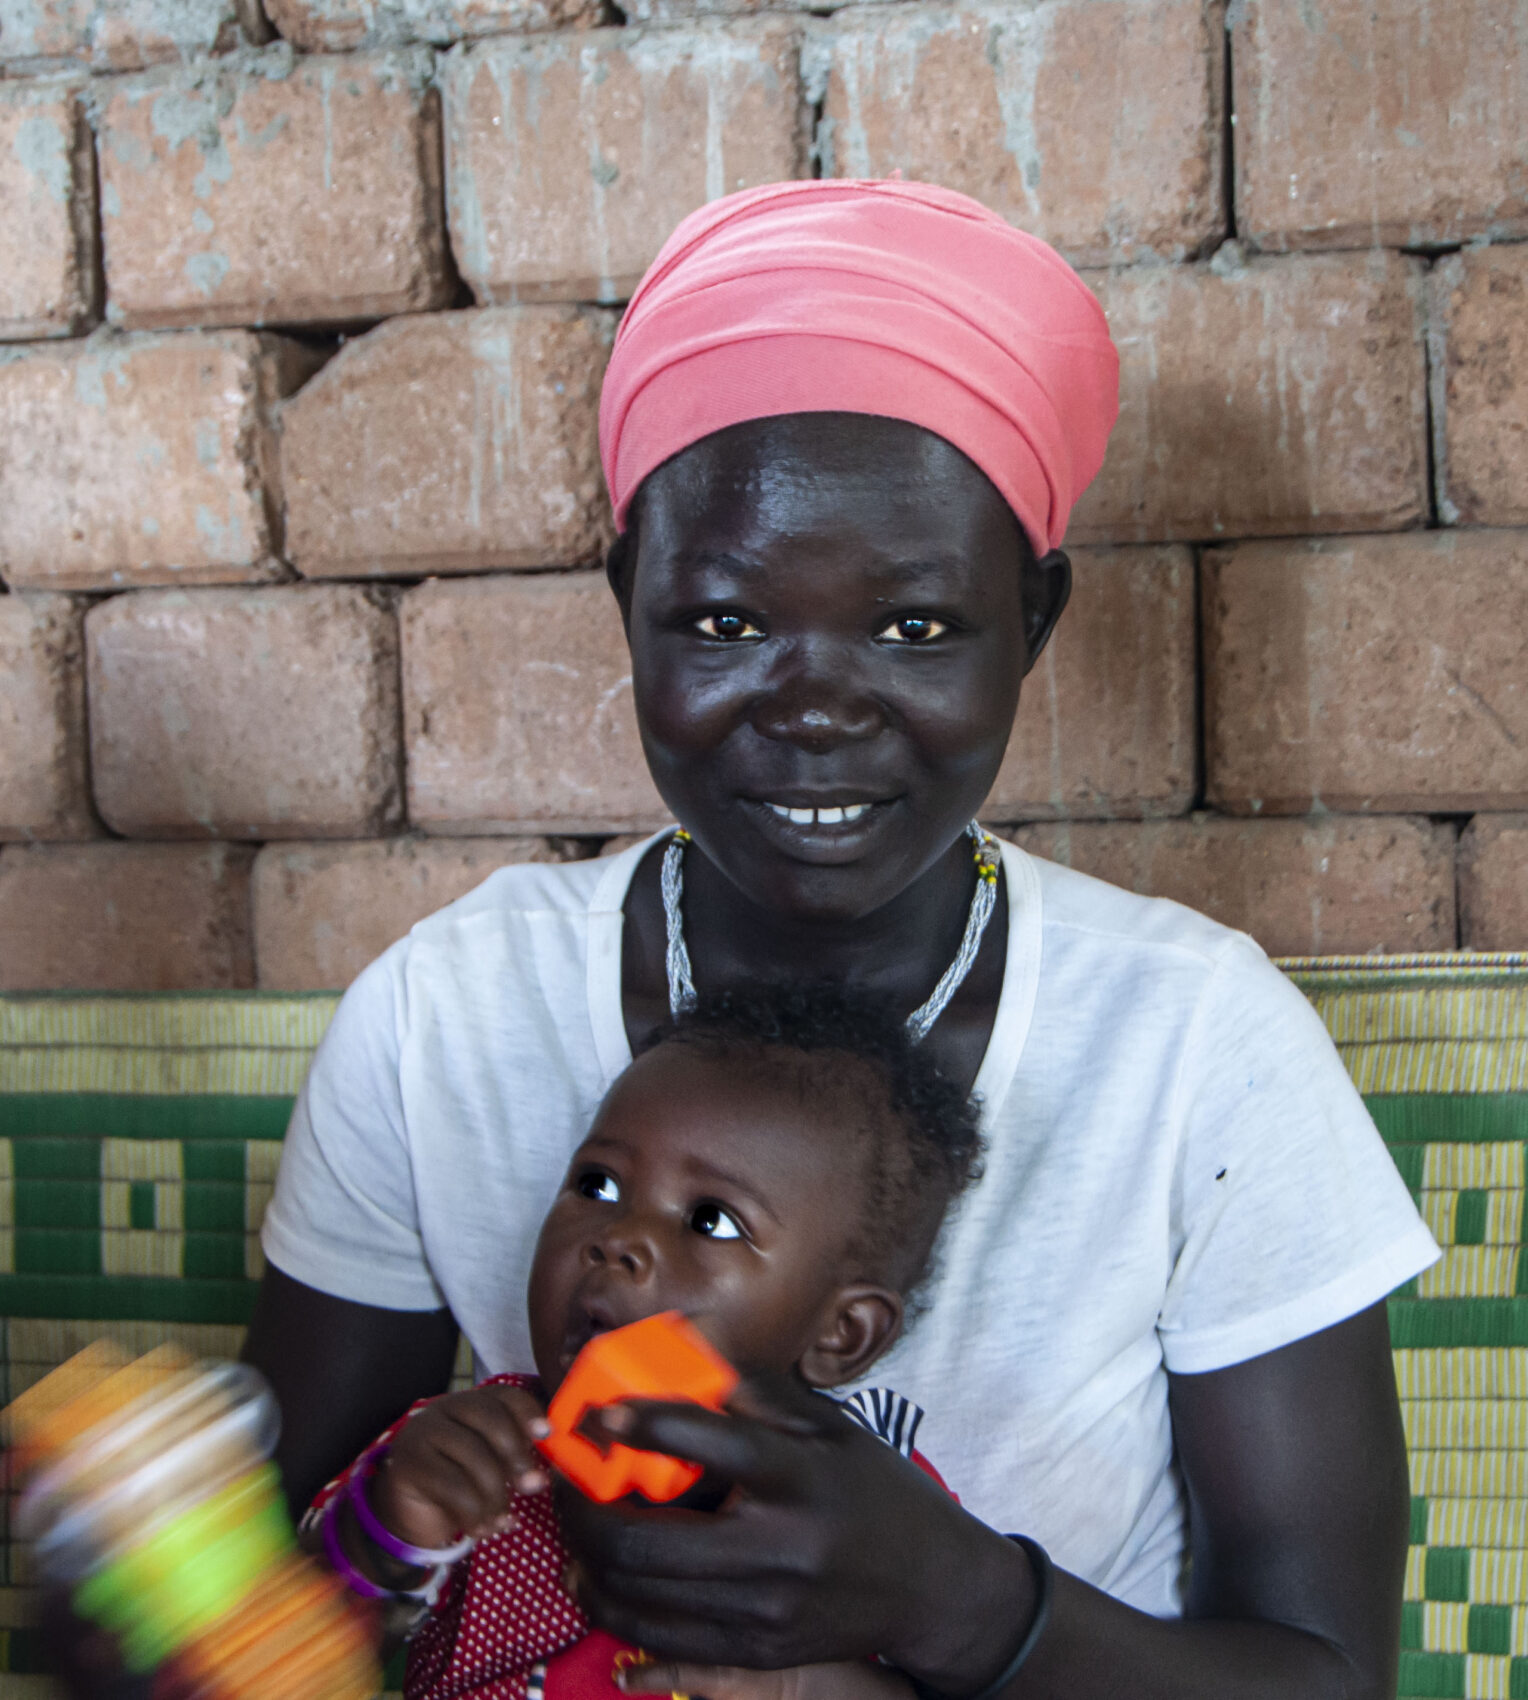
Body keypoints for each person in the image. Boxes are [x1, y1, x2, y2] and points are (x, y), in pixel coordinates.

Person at [247, 178, 1441, 1700]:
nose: (818, 707)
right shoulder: (447, 1019)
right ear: (632, 607)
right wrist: (143, 1604)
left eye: (918, 627)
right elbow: (246, 1608)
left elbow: (1324, 1676)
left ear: (1037, 619)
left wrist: (953, 1600)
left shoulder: (1198, 1046)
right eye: (726, 624)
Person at [315, 982, 983, 1700]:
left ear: (841, 1334)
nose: (619, 1239)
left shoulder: (869, 1512)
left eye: (711, 1221)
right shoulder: (478, 1454)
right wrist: (389, 1529)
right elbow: (279, 1655)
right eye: (598, 1186)